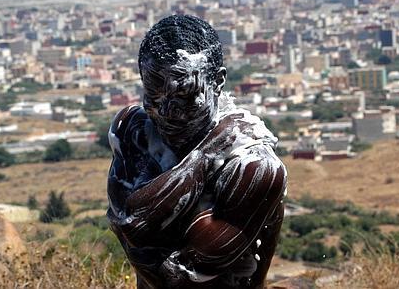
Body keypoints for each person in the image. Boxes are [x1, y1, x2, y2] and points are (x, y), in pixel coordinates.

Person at [106, 14, 287, 288]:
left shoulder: (253, 166)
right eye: (153, 94)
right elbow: (132, 223)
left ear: (217, 81)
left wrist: (140, 235)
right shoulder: (132, 129)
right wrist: (206, 154)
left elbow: (180, 276)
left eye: (184, 96)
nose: (166, 111)